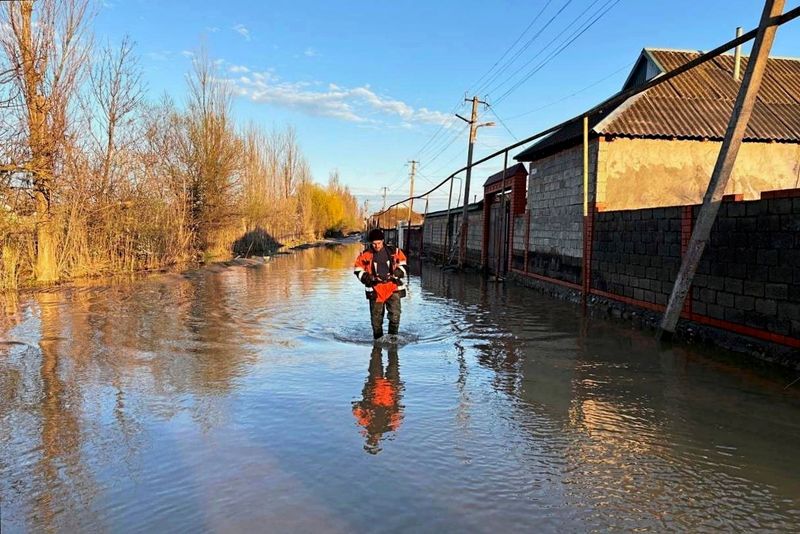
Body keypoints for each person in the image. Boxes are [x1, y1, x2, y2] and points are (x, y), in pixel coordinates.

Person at [353, 228, 408, 340]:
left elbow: (404, 264)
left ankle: (392, 340)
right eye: (374, 244)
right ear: (370, 243)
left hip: (392, 287)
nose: (376, 246)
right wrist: (367, 277)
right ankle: (378, 343)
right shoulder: (365, 255)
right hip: (376, 290)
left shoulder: (395, 252)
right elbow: (357, 269)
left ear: (383, 241)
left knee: (395, 317)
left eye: (378, 243)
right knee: (376, 320)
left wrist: (398, 272)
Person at [351, 344, 403, 454]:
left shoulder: (366, 425)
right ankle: (382, 343)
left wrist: (359, 408)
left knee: (378, 357)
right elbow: (399, 415)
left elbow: (356, 409)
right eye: (374, 442)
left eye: (371, 441)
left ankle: (378, 344)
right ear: (378, 442)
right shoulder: (388, 428)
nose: (374, 440)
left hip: (376, 386)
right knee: (392, 358)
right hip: (389, 390)